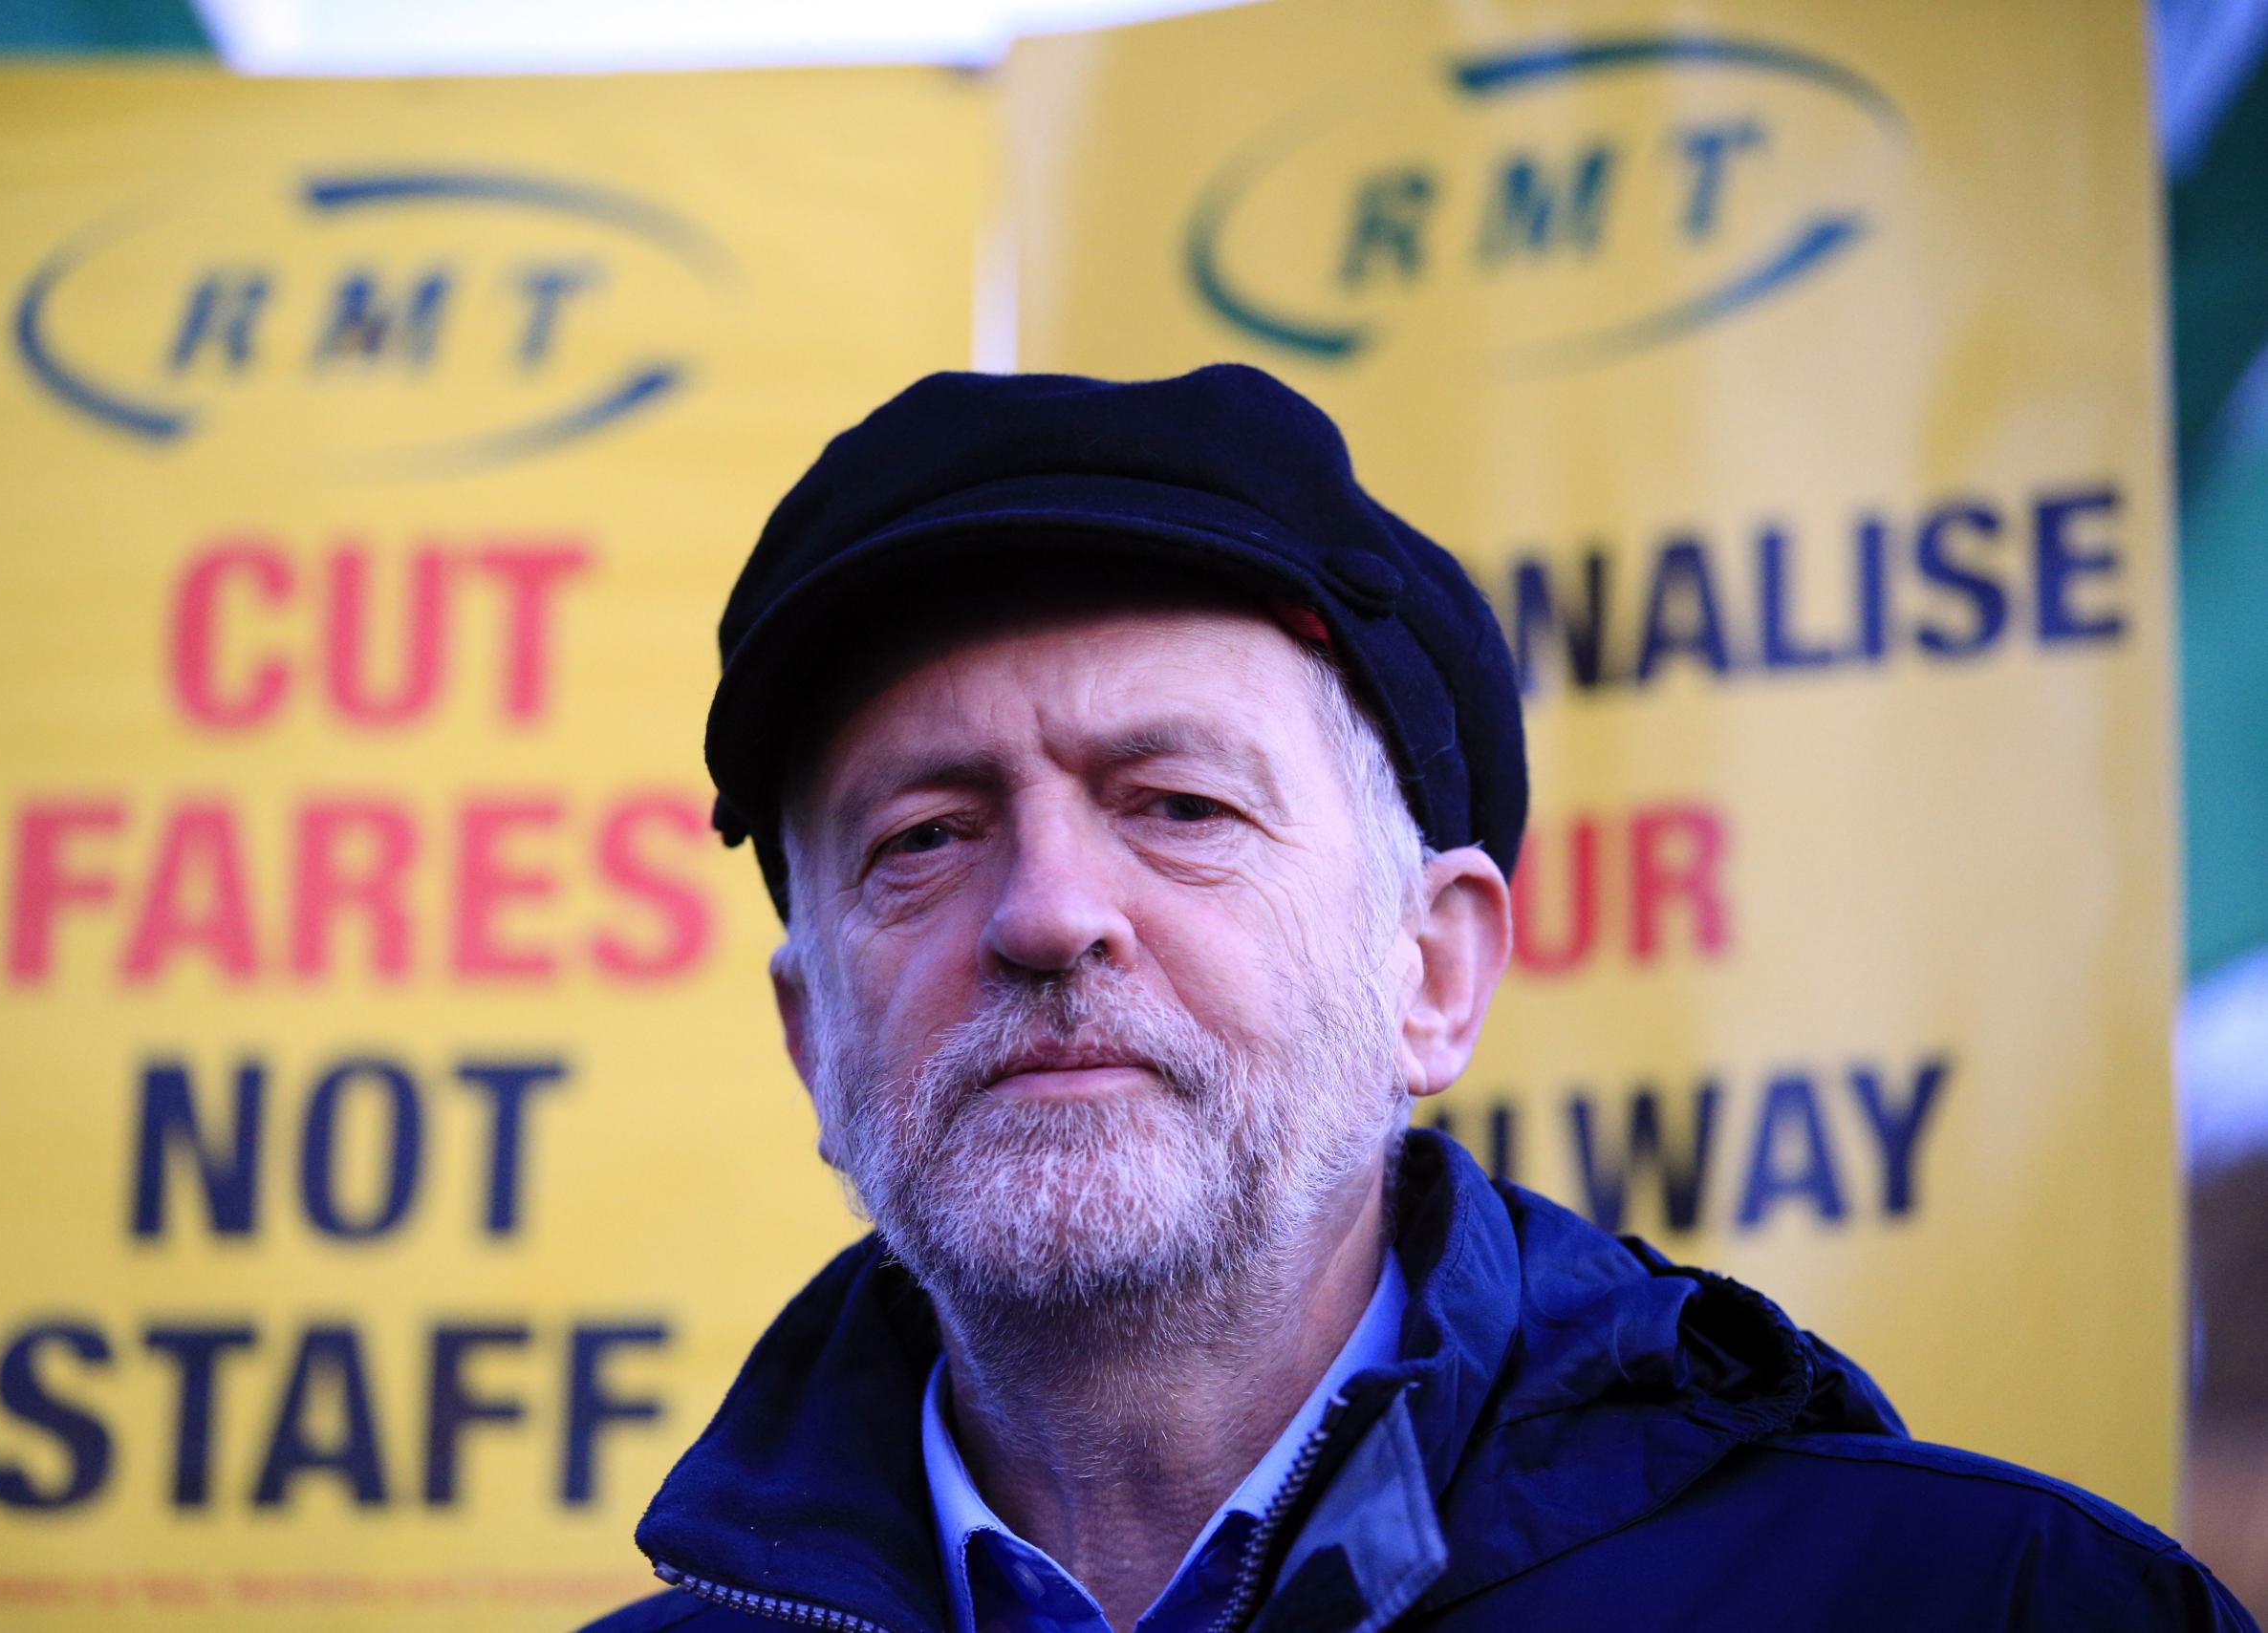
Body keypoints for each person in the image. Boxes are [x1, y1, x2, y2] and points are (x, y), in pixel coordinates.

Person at [580, 366, 2255, 1633]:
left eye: (1181, 805)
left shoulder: (1988, 1605)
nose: (1049, 912)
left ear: (1434, 969)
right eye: (926, 837)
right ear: (813, 1037)